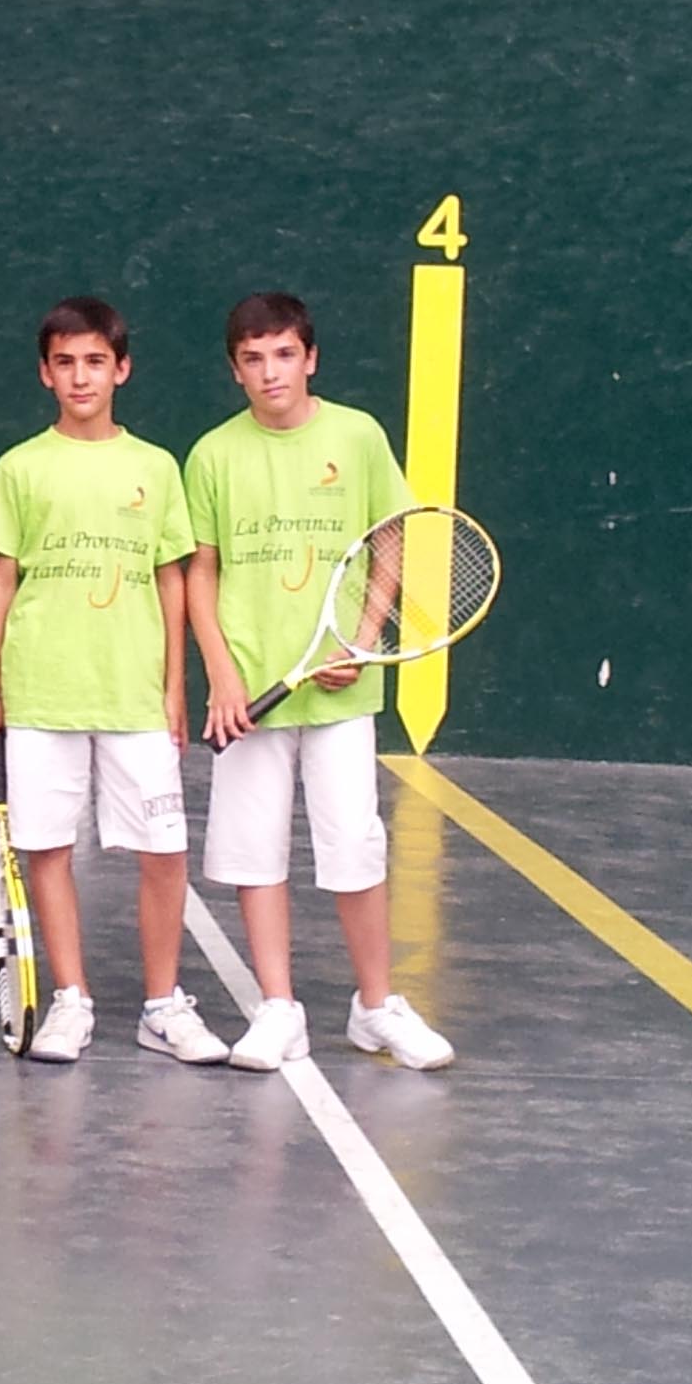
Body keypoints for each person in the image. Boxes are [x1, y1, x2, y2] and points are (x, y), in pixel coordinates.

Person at [184, 291, 457, 1072]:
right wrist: (222, 674)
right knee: (253, 853)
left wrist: (363, 640)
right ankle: (279, 1010)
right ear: (235, 370)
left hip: (341, 692)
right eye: (253, 359)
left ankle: (377, 1008)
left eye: (283, 355)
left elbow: (389, 540)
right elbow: (201, 572)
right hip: (251, 692)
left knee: (354, 849)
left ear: (311, 358)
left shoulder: (358, 436)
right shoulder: (212, 455)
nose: (270, 372)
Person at [0, 298, 230, 1066]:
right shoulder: (21, 467)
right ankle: (71, 1000)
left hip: (133, 694)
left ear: (122, 369)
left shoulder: (156, 467)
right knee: (48, 847)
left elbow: (172, 579)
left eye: (94, 362)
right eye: (65, 363)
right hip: (41, 689)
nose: (80, 377)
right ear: (45, 374)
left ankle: (162, 1005)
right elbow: (0, 580)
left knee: (164, 851)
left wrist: (175, 687)